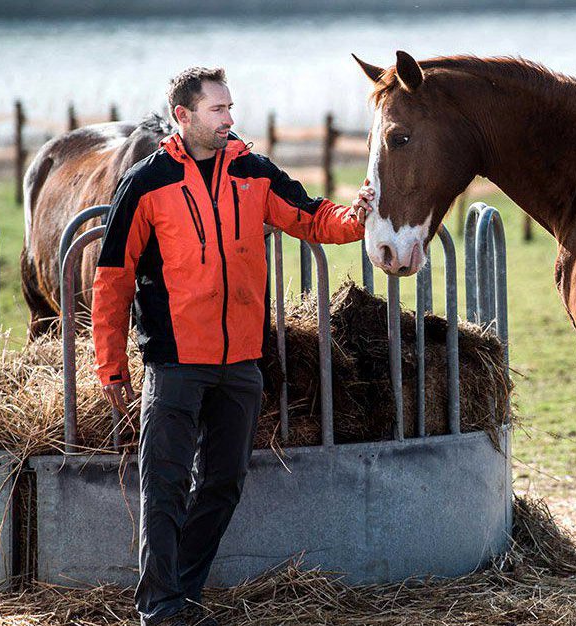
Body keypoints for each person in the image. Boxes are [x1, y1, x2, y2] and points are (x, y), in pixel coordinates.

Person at [91, 66, 373, 626]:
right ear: (184, 115)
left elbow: (312, 216)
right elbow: (114, 277)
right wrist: (111, 364)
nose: (229, 118)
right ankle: (161, 607)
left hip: (241, 360)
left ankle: (182, 595)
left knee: (223, 485)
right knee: (164, 488)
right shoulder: (147, 184)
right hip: (174, 363)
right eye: (218, 109)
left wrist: (357, 216)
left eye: (230, 107)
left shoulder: (252, 171)